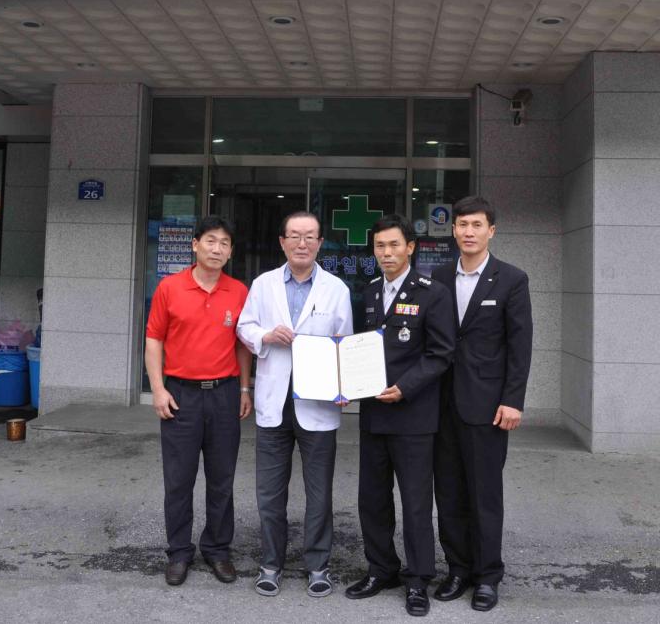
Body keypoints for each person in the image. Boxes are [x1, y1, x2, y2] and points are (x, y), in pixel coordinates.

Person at [237, 211, 353, 599]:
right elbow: (244, 327)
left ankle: (318, 565)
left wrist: (346, 385)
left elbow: (345, 344)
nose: (302, 243)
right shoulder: (263, 284)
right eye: (294, 236)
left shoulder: (336, 288)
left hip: (318, 403)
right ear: (282, 241)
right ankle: (271, 563)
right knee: (270, 493)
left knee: (319, 494)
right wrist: (266, 335)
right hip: (274, 402)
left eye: (310, 236)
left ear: (320, 243)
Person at [346, 214, 455, 617]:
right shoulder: (370, 291)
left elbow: (441, 353)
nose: (386, 253)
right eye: (380, 246)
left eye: (394, 245)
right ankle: (381, 569)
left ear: (410, 247)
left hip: (414, 416)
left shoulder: (433, 293)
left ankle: (418, 579)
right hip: (374, 414)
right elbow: (360, 348)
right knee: (372, 500)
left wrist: (405, 387)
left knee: (415, 503)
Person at [431, 196, 532, 612]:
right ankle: (458, 569)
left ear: (491, 231)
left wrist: (513, 400)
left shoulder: (511, 279)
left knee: (484, 494)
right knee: (449, 492)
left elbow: (520, 345)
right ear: (453, 230)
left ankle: (488, 575)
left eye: (476, 225)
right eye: (462, 224)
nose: (468, 232)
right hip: (441, 405)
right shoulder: (438, 276)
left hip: (488, 406)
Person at [145, 215, 252, 588]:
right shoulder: (170, 287)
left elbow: (243, 344)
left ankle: (218, 549)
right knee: (178, 480)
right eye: (210, 240)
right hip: (181, 395)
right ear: (195, 245)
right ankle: (178, 552)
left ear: (230, 251)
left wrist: (244, 389)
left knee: (222, 479)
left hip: (224, 394)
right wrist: (157, 389)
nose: (216, 248)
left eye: (224, 243)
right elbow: (154, 339)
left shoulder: (239, 292)